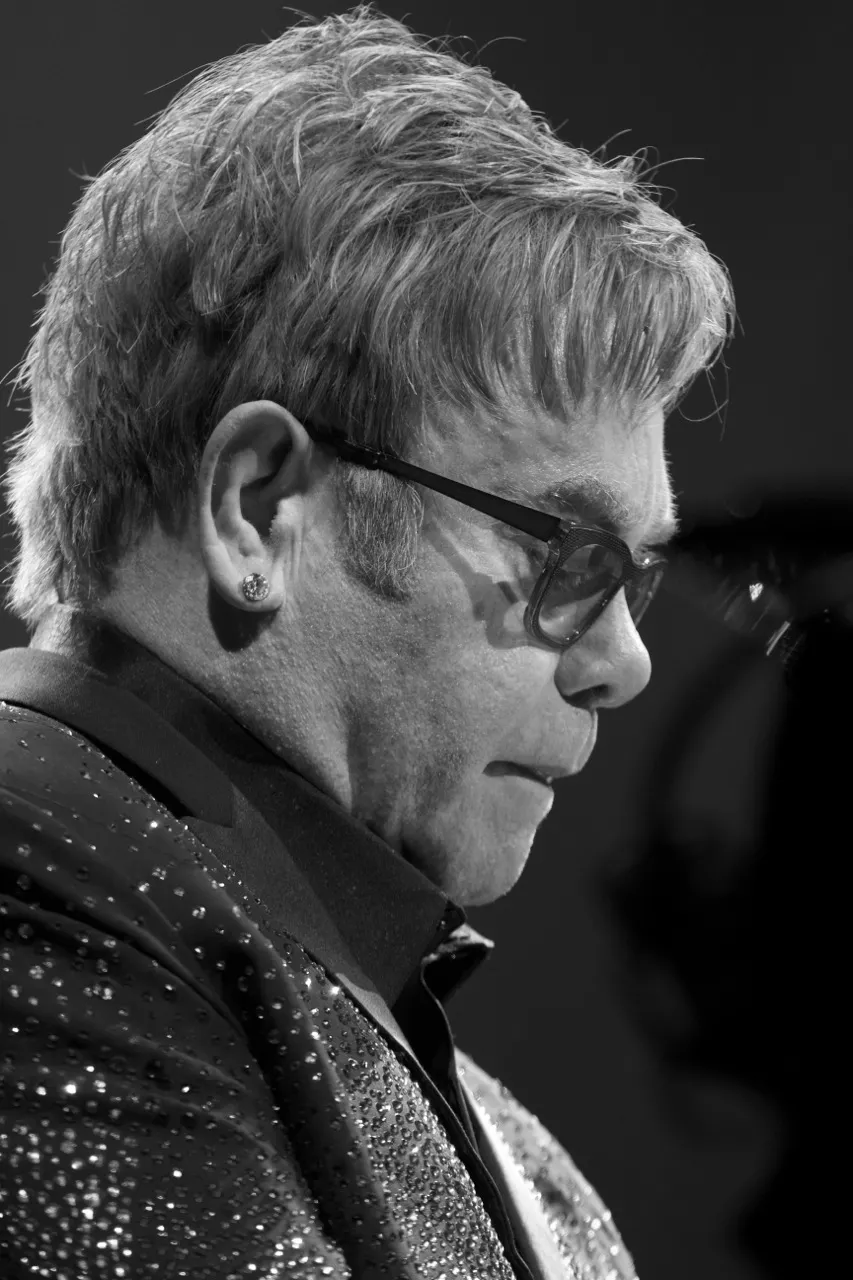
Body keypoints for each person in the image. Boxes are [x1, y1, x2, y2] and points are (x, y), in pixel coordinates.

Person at [0, 6, 734, 1277]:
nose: (626, 662)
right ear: (259, 508)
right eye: (570, 555)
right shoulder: (32, 866)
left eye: (637, 578)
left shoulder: (506, 1139)